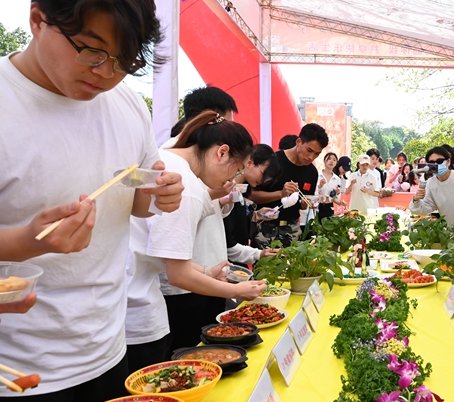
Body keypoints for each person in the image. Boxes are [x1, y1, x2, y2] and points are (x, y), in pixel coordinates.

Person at [0, 0, 185, 402]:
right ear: (37, 19)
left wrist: (159, 195)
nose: (106, 73)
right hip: (13, 376)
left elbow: (137, 199)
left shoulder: (126, 105)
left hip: (107, 350)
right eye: (91, 51)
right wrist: (25, 240)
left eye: (125, 61)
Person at [126, 111, 266, 368]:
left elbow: (158, 248)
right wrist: (236, 291)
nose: (231, 180)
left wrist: (204, 271)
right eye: (237, 169)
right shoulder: (186, 185)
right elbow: (178, 275)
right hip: (137, 311)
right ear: (221, 152)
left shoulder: (165, 159)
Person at [251, 124, 328, 247]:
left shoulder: (312, 172)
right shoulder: (273, 162)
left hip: (292, 231)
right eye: (309, 150)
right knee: (264, 265)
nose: (311, 157)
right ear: (299, 142)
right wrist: (280, 194)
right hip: (264, 229)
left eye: (316, 154)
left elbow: (302, 205)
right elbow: (251, 195)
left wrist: (304, 204)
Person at [224, 144, 280, 266]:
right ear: (250, 162)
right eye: (264, 173)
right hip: (227, 262)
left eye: (269, 179)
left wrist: (256, 216)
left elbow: (236, 222)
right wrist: (258, 254)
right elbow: (227, 239)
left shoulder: (241, 190)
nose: (264, 181)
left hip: (236, 258)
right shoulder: (224, 190)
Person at [317, 152, 344, 219]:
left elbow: (335, 198)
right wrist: (320, 186)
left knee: (328, 227)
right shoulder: (317, 174)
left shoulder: (337, 179)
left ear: (336, 163)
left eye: (334, 160)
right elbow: (312, 192)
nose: (331, 161)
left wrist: (337, 193)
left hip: (329, 206)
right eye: (329, 159)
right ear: (324, 161)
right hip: (317, 206)